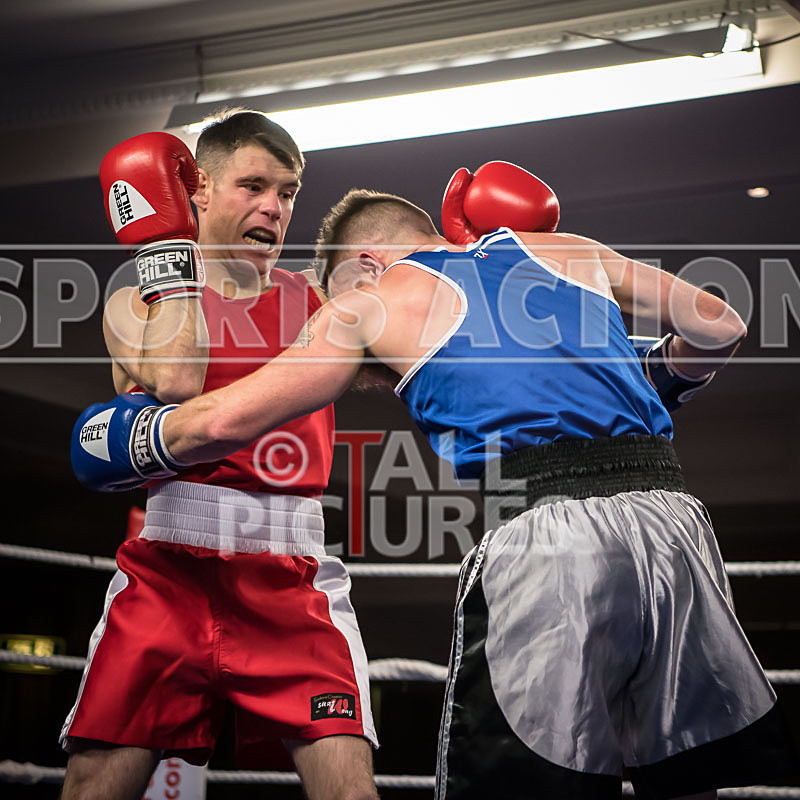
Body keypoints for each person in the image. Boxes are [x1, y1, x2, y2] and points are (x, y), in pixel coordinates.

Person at [72, 175, 796, 800]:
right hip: (673, 523)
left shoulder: (366, 304)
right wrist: (646, 384)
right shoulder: (561, 247)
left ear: (361, 265)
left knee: (526, 774)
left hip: (550, 539)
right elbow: (719, 324)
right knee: (684, 768)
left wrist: (130, 441)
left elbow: (223, 423)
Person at [61, 112, 378, 800]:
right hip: (168, 571)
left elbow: (426, 349)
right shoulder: (132, 300)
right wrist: (167, 249)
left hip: (293, 578)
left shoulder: (322, 306)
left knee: (349, 788)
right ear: (195, 189)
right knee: (93, 783)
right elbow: (174, 384)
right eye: (254, 185)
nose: (274, 207)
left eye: (288, 193)